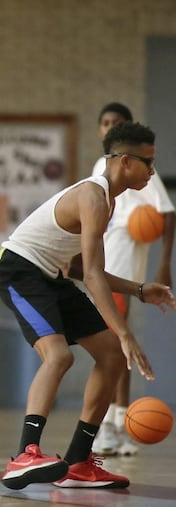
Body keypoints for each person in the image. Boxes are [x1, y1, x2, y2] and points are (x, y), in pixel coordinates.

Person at [0, 121, 176, 490]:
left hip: (53, 275)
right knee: (59, 356)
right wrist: (125, 333)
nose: (153, 171)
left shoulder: (107, 201)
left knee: (109, 356)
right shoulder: (92, 196)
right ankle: (24, 454)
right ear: (124, 161)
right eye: (147, 162)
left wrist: (140, 290)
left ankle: (78, 462)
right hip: (18, 270)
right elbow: (91, 276)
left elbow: (81, 268)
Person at [88, 103, 175, 457]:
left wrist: (164, 264)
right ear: (99, 130)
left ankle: (112, 425)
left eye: (116, 122)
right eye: (105, 122)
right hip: (106, 265)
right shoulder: (99, 170)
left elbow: (166, 215)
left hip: (124, 265)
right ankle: (111, 424)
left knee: (115, 347)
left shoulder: (139, 170)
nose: (110, 127)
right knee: (114, 347)